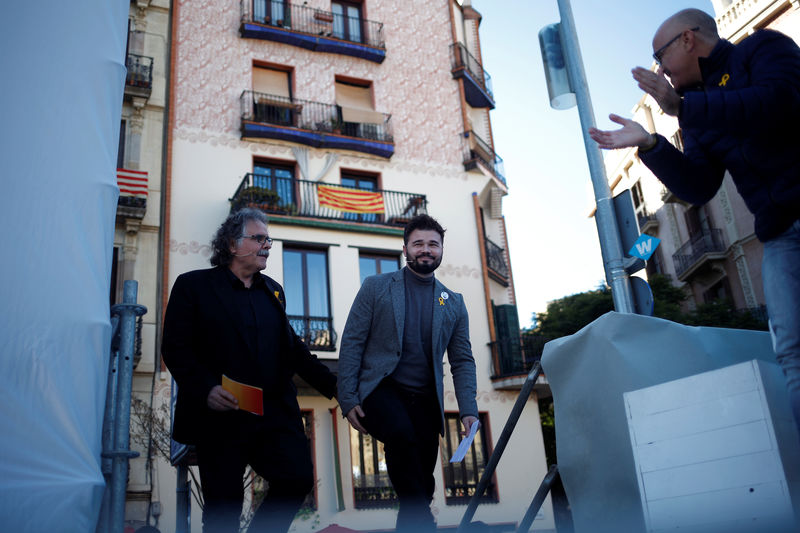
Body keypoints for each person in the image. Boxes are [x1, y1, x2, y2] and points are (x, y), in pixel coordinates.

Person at [588, 9, 800, 430]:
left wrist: (683, 107)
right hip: (779, 238)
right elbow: (699, 187)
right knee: (793, 354)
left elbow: (778, 101)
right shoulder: (696, 115)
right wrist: (651, 145)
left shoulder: (763, 49)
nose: (660, 70)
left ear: (687, 39)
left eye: (659, 57)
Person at [162, 208, 337, 533]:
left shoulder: (273, 291)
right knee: (223, 509)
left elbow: (294, 350)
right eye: (258, 238)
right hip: (221, 418)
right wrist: (207, 389)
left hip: (272, 414)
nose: (266, 244)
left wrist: (340, 389)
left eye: (267, 239)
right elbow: (175, 348)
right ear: (231, 244)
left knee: (297, 478)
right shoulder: (193, 286)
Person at [337, 214, 479, 532]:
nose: (425, 249)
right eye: (418, 243)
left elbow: (462, 360)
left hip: (426, 398)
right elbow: (352, 342)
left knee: (421, 482)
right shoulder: (376, 287)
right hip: (382, 388)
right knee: (400, 436)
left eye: (433, 243)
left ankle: (415, 523)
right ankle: (424, 524)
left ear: (441, 249)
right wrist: (347, 397)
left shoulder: (453, 303)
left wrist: (469, 409)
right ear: (405, 249)